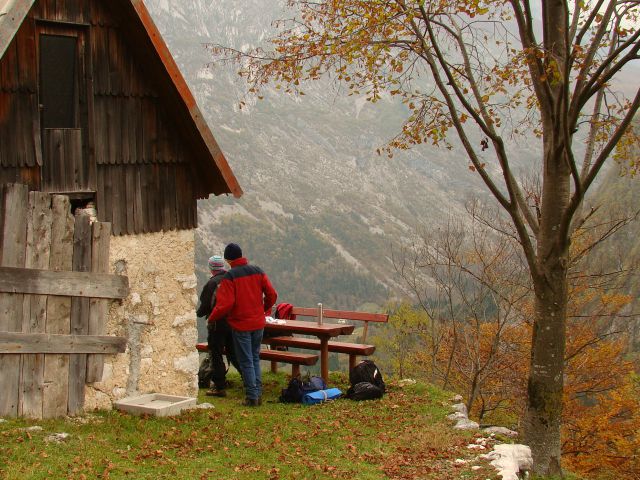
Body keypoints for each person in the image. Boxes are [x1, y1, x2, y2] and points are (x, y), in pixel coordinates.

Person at [208, 243, 277, 406]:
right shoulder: (258, 271)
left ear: (228, 260)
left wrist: (212, 317)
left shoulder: (230, 277)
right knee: (254, 359)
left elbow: (226, 304)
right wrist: (263, 309)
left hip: (241, 325)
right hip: (258, 323)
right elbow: (272, 294)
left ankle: (252, 397)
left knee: (246, 361)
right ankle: (257, 394)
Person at [196, 255, 239, 397]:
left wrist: (196, 313)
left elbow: (205, 306)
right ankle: (250, 381)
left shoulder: (212, 283)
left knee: (216, 354)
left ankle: (219, 386)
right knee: (234, 353)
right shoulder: (232, 278)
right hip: (233, 322)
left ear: (211, 268)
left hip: (217, 323)